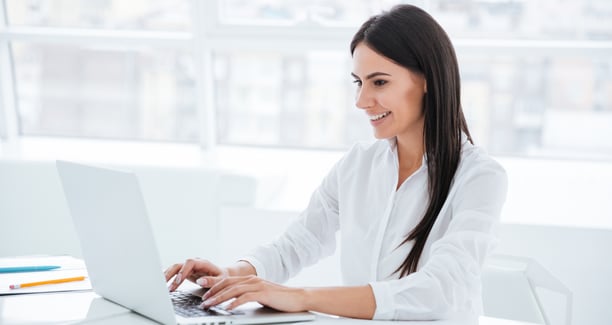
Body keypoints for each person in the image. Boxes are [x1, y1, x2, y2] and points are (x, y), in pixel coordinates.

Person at [165, 4, 507, 321]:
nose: (361, 101)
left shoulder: (479, 178)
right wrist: (232, 274)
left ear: (428, 80)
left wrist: (300, 297)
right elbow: (296, 245)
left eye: (380, 82)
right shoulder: (358, 164)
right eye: (358, 83)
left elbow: (439, 291)